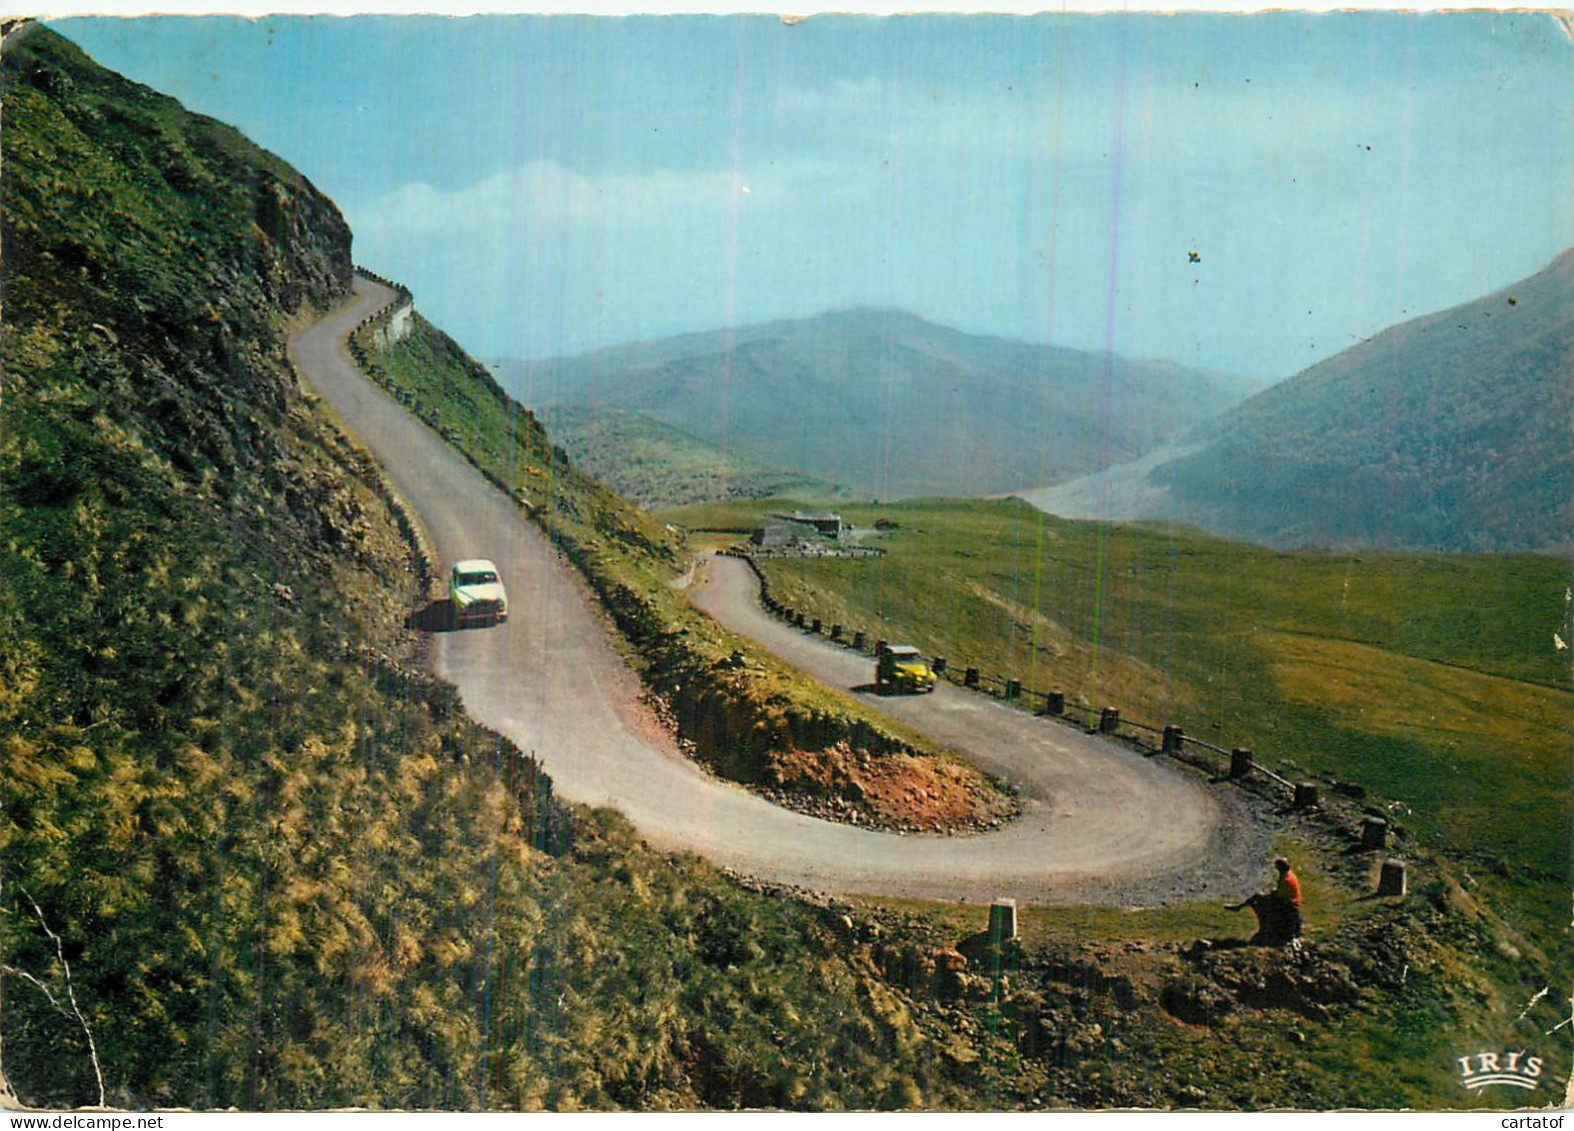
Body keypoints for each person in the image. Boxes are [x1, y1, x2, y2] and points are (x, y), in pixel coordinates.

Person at [1226, 856, 1303, 946]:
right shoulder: (1290, 875)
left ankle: (1239, 907)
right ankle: (1240, 907)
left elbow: (1280, 895)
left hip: (1287, 904)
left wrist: (1268, 894)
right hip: (1288, 901)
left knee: (1257, 897)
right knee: (1259, 897)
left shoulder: (1287, 879)